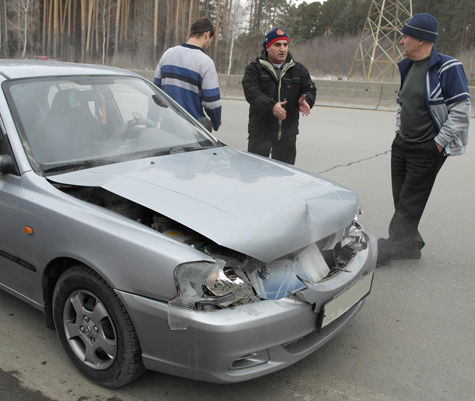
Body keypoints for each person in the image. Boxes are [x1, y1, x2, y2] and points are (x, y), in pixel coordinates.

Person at [377, 13, 471, 266]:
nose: (401, 41)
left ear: (420, 40)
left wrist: (438, 143)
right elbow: (402, 104)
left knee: (410, 199)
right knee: (402, 196)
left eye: (405, 36)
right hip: (403, 143)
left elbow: (461, 111)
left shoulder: (447, 67)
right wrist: (399, 133)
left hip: (428, 147)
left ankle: (393, 246)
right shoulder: (407, 67)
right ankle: (410, 244)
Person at [242, 28, 316, 165]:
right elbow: (252, 93)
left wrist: (307, 100)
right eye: (277, 45)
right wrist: (272, 107)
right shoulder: (254, 68)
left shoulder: (299, 69)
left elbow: (310, 88)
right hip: (260, 134)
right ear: (268, 47)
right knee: (254, 175)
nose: (282, 49)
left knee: (284, 180)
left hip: (287, 136)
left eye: (285, 45)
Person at [154, 17, 221, 132]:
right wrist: (216, 122)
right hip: (191, 128)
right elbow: (212, 102)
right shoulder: (205, 62)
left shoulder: (167, 54)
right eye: (211, 39)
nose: (209, 43)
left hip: (166, 125)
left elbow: (155, 91)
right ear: (207, 34)